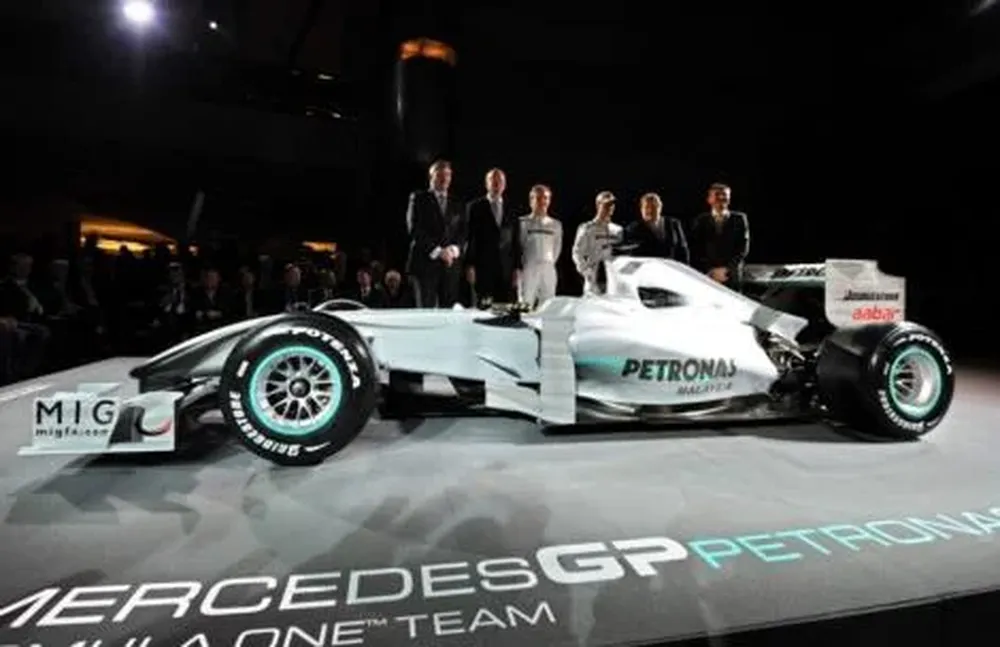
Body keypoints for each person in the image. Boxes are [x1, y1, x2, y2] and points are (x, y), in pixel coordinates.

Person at [405, 159, 467, 308]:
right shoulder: (418, 198)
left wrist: (453, 250)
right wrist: (439, 252)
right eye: (440, 175)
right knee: (426, 312)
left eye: (447, 175)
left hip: (450, 266)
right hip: (425, 265)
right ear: (431, 177)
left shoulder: (457, 202)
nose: (444, 179)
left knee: (449, 312)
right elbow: (414, 229)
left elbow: (463, 231)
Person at [465, 168, 522, 307]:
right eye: (493, 181)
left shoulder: (512, 208)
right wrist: (470, 265)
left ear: (504, 185)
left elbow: (516, 240)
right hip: (482, 269)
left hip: (506, 270)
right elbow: (469, 238)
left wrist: (517, 268)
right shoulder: (474, 207)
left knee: (505, 310)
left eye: (500, 181)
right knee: (483, 309)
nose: (496, 184)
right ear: (486, 184)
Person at [689, 182, 750, 291]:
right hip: (708, 274)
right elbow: (696, 248)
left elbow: (743, 248)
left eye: (725, 195)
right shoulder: (701, 220)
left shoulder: (740, 219)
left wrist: (726, 269)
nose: (721, 197)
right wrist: (711, 270)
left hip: (731, 275)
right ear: (709, 199)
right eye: (717, 194)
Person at [518, 184, 562, 308]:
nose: (542, 201)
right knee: (525, 305)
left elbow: (557, 248)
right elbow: (519, 247)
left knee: (548, 306)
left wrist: (548, 264)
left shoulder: (555, 224)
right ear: (531, 200)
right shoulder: (522, 223)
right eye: (538, 198)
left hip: (548, 269)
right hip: (528, 269)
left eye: (546, 198)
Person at [572, 191, 624, 294]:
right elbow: (577, 253)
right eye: (606, 204)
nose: (610, 207)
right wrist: (587, 272)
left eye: (612, 204)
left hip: (613, 281)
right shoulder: (587, 228)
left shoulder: (618, 230)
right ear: (598, 205)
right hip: (594, 280)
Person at [624, 193, 690, 264]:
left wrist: (685, 266)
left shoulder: (673, 224)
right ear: (641, 209)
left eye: (653, 207)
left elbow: (683, 249)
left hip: (671, 267)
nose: (649, 210)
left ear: (660, 208)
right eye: (646, 207)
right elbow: (631, 254)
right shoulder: (633, 228)